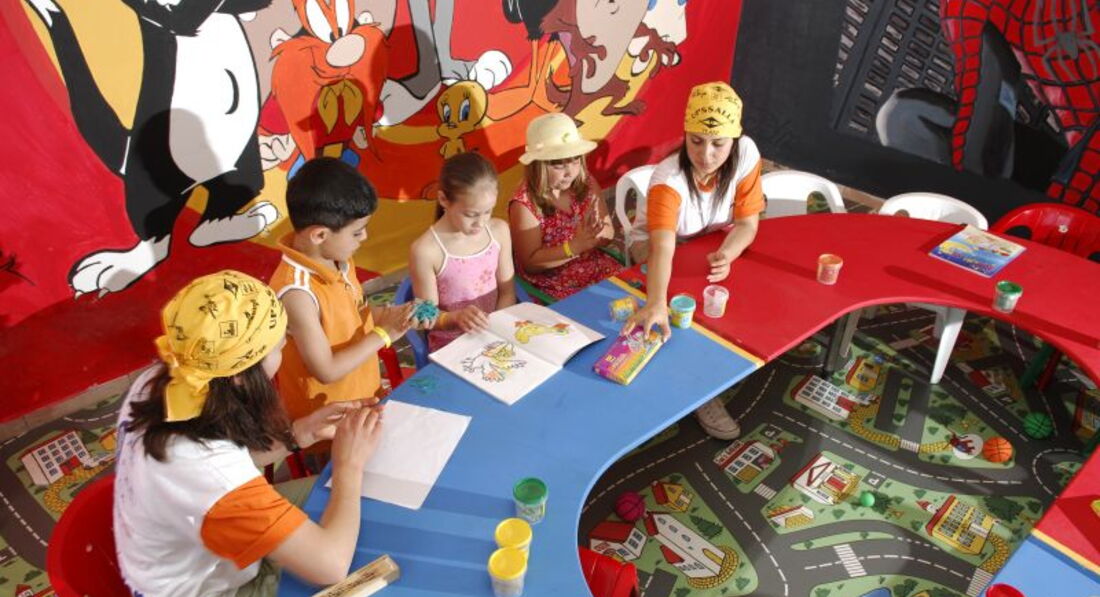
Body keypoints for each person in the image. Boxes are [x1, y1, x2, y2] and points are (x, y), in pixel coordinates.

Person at [113, 271, 385, 595]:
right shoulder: (209, 473)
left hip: (193, 542)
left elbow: (231, 460)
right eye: (278, 345)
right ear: (241, 376)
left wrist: (301, 432)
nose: (286, 343)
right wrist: (348, 465)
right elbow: (330, 567)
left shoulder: (169, 378)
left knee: (361, 496)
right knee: (366, 555)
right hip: (206, 588)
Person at [623, 82, 765, 440]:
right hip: (655, 246)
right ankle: (701, 394)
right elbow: (662, 247)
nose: (706, 155)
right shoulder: (668, 179)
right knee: (678, 312)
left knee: (724, 302)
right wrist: (656, 303)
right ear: (685, 134)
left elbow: (748, 224)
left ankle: (711, 368)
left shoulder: (746, 154)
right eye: (696, 141)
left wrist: (728, 254)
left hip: (710, 241)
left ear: (735, 138)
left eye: (718, 143)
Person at [269, 158, 414, 424]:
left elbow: (352, 314)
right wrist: (385, 334)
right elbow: (326, 370)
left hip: (361, 397)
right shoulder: (297, 293)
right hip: (327, 420)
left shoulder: (338, 260)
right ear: (319, 235)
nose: (365, 237)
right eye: (357, 233)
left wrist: (391, 315)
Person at [409, 152, 518, 351]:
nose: (481, 223)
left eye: (488, 211)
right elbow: (426, 316)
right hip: (453, 347)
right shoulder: (426, 251)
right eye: (471, 214)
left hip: (496, 334)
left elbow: (507, 291)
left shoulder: (499, 231)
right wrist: (456, 318)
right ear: (443, 199)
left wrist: (495, 329)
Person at [508, 113, 622, 300]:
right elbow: (530, 263)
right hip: (552, 283)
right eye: (558, 165)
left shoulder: (586, 183)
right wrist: (574, 247)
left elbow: (608, 232)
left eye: (575, 160)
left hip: (594, 266)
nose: (570, 172)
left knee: (630, 296)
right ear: (537, 166)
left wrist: (595, 236)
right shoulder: (524, 205)